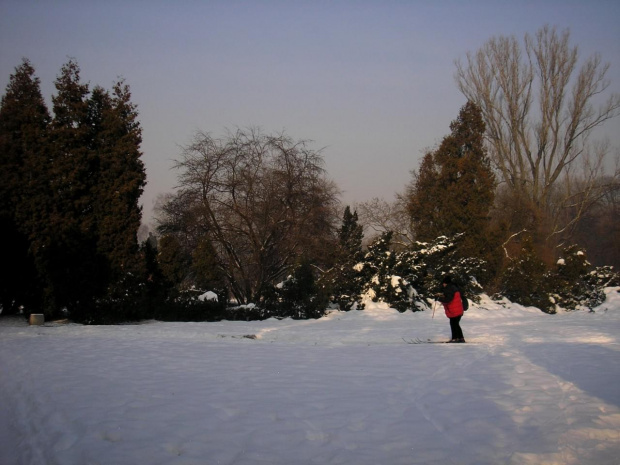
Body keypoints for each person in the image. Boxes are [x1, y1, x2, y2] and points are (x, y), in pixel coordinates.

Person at [436, 275, 465, 343]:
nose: (443, 285)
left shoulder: (449, 288)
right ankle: (460, 338)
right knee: (456, 324)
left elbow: (448, 300)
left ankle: (455, 338)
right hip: (458, 309)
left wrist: (439, 298)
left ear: (446, 283)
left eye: (443, 283)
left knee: (453, 324)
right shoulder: (454, 287)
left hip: (454, 310)